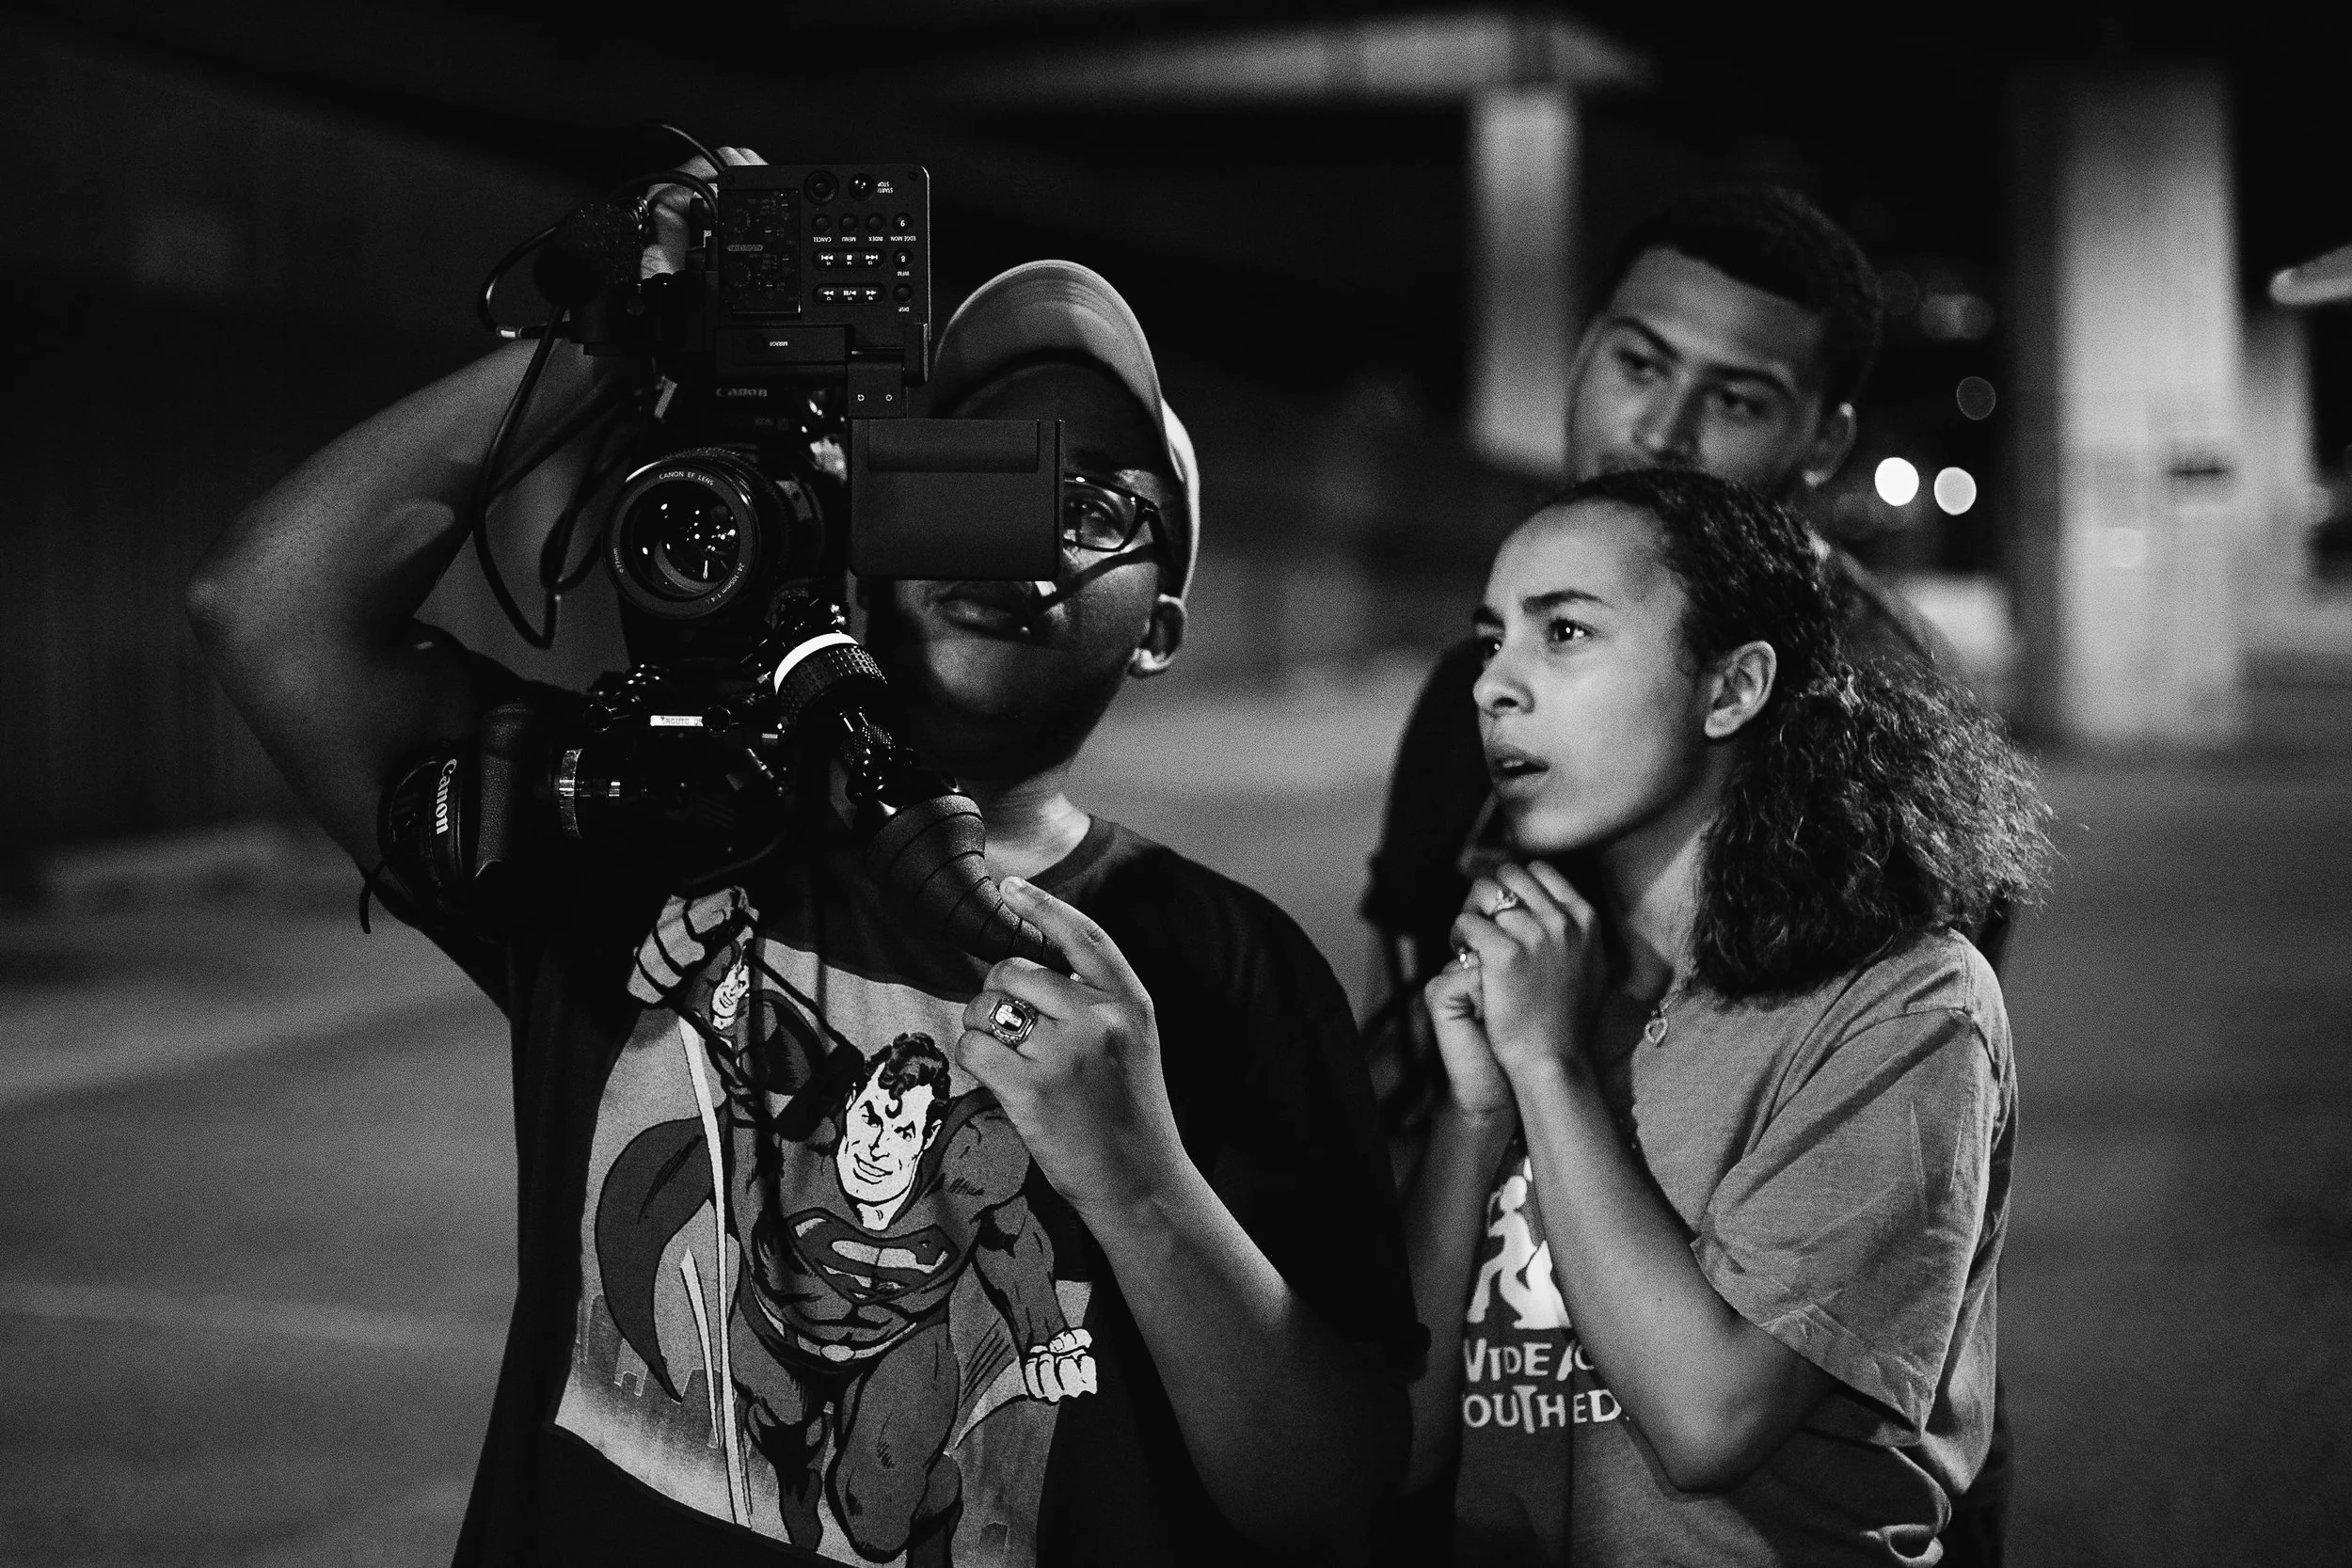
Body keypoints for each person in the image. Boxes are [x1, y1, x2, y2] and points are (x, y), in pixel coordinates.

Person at [187, 147, 1417, 1565]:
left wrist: (1141, 1178)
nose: (1021, 542)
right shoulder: (641, 824)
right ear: (863, 518)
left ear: (1160, 625)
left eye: (1097, 508)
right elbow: (267, 602)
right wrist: (607, 351)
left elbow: (1333, 1494)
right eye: (966, 472)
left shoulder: (1223, 964)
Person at [1400, 467, 2050, 1565]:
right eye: (1490, 638)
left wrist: (1548, 1069)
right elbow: (1396, 1447)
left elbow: (1709, 1418)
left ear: (1730, 685)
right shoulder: (1533, 979)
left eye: (1562, 632)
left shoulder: (1906, 1003)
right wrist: (1469, 1116)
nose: (1493, 684)